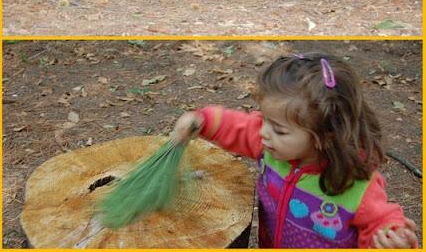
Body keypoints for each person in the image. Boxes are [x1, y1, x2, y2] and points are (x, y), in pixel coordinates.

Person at [171, 53, 418, 249]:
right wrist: (202, 121)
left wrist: (390, 240)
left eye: (279, 130)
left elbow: (382, 222)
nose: (264, 132)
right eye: (265, 119)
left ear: (325, 135)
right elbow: (241, 127)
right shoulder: (272, 146)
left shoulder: (357, 187)